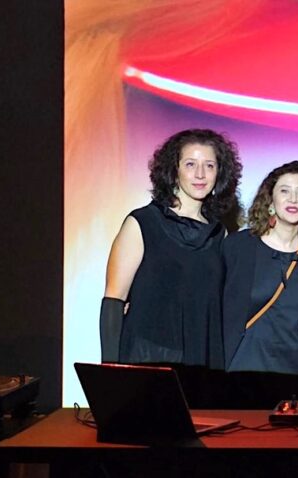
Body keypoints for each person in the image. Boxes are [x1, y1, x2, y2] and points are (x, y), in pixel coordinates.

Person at [100, 128, 242, 408]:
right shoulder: (141, 224)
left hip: (203, 367)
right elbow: (113, 302)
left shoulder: (220, 236)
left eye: (209, 165)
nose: (200, 174)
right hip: (149, 363)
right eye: (190, 164)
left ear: (219, 175)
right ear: (173, 170)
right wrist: (109, 375)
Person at [221, 161, 298, 409]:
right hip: (244, 375)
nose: (293, 198)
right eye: (284, 190)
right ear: (270, 201)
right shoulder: (238, 247)